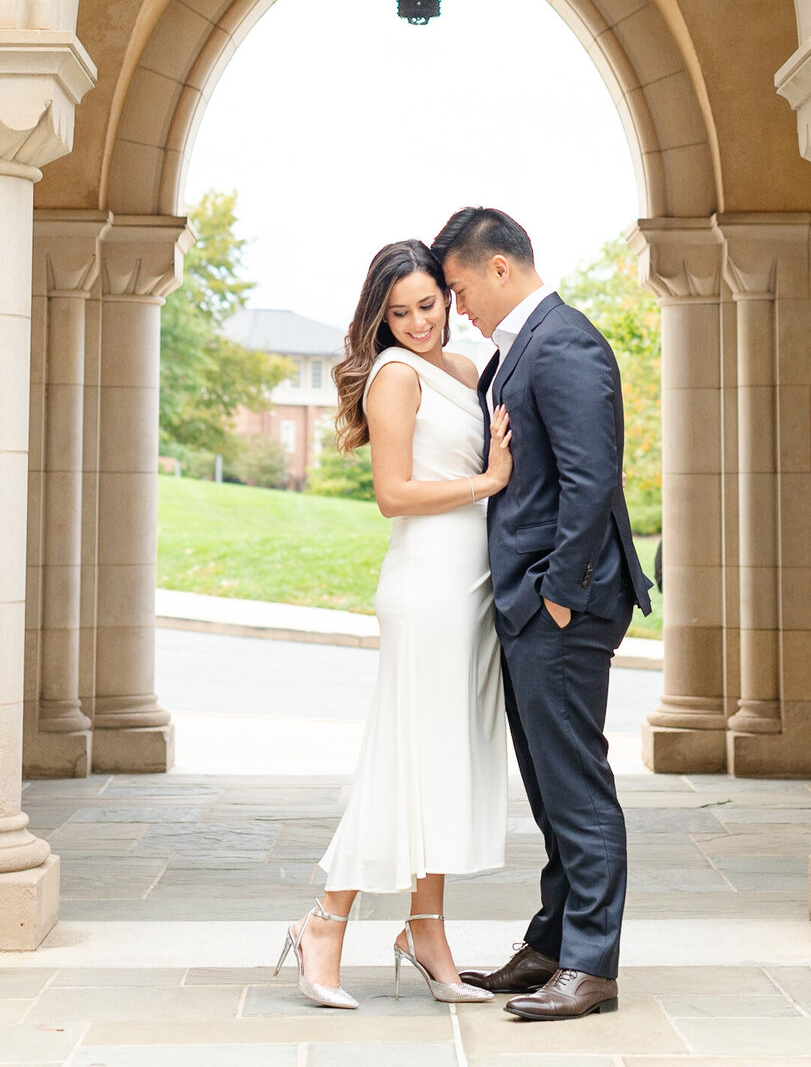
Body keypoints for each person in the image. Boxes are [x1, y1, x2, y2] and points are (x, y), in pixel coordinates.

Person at [276, 238, 514, 1010]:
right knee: (405, 759)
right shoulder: (396, 375)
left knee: (444, 760)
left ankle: (427, 929)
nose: (417, 322)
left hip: (472, 585)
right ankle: (324, 922)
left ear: (449, 299)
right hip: (427, 585)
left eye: (428, 304)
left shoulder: (467, 371)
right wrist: (486, 481)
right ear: (381, 317)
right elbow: (393, 493)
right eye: (400, 311)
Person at [433, 206, 653, 1023]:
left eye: (458, 289)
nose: (459, 308)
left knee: (576, 785)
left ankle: (590, 965)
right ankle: (555, 941)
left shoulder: (565, 342)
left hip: (565, 603)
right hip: (537, 601)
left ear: (499, 268)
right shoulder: (521, 346)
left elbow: (592, 480)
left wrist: (558, 592)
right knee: (550, 785)